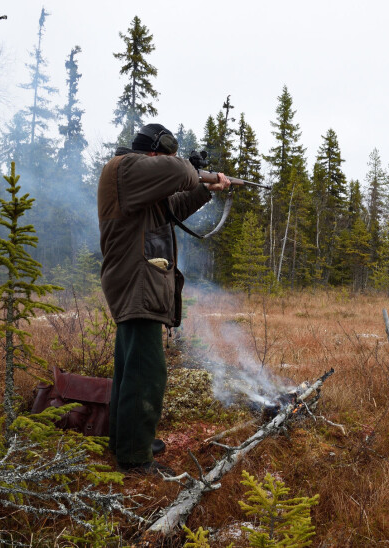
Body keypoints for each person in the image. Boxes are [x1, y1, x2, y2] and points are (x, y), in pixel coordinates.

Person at [97, 123, 230, 475]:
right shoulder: (124, 168)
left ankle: (127, 440)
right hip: (136, 281)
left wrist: (207, 189)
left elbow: (174, 206)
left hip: (137, 281)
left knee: (131, 368)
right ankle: (135, 459)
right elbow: (177, 171)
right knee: (148, 373)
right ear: (153, 154)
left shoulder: (138, 184)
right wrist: (195, 170)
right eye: (166, 156)